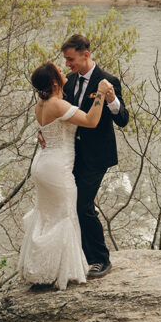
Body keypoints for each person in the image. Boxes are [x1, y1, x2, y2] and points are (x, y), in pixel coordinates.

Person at [18, 62, 113, 289]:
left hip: (42, 164)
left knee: (46, 215)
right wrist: (100, 93)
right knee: (65, 215)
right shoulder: (57, 104)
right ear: (53, 82)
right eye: (59, 72)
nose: (63, 71)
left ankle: (42, 270)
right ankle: (60, 271)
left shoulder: (40, 105)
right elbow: (91, 121)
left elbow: (48, 130)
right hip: (57, 169)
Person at [58, 34, 129, 279]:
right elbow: (61, 114)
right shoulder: (67, 82)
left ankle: (101, 260)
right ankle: (81, 257)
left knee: (83, 205)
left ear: (85, 55)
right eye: (66, 60)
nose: (67, 64)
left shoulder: (107, 80)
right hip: (70, 154)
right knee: (71, 204)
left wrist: (112, 100)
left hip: (97, 156)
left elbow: (123, 120)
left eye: (71, 59)